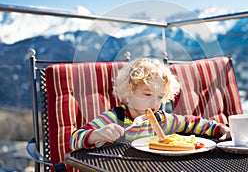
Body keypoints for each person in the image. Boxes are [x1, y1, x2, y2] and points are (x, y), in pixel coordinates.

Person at [70, 58, 230, 150]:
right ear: (128, 92)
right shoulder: (114, 118)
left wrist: (220, 128)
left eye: (160, 97)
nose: (155, 102)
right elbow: (75, 139)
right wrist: (96, 135)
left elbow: (192, 123)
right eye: (147, 94)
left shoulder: (162, 120)